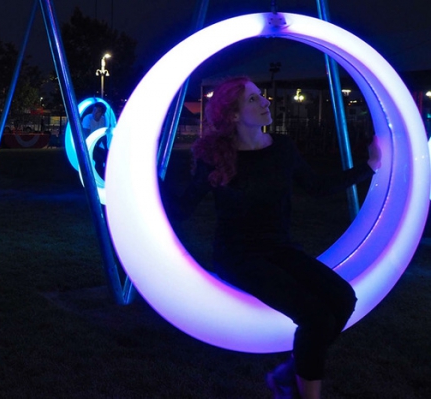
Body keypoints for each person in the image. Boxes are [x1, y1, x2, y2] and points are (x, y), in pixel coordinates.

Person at [163, 77, 381, 399]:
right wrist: (146, 176)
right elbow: (182, 209)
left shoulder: (282, 148)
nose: (265, 102)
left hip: (280, 248)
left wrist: (370, 166)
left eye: (261, 96)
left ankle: (286, 374)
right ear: (234, 115)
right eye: (253, 100)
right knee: (316, 317)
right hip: (238, 256)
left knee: (343, 299)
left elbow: (317, 187)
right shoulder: (217, 158)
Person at [81, 102, 109, 178]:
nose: (95, 113)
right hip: (86, 145)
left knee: (108, 155)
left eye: (98, 111)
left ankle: (106, 175)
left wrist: (106, 148)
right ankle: (97, 177)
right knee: (99, 159)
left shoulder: (103, 120)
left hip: (95, 144)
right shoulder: (87, 118)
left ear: (102, 113)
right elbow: (86, 136)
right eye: (94, 110)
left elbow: (103, 135)